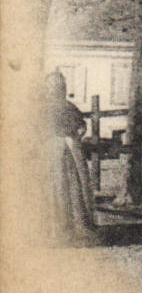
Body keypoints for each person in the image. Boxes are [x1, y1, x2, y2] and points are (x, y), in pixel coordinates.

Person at [44, 71, 96, 245]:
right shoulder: (45, 107)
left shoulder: (68, 107)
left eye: (59, 87)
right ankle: (58, 229)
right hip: (55, 152)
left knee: (71, 187)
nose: (56, 90)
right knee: (57, 188)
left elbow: (81, 126)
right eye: (53, 87)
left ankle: (71, 229)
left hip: (66, 153)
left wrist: (75, 136)